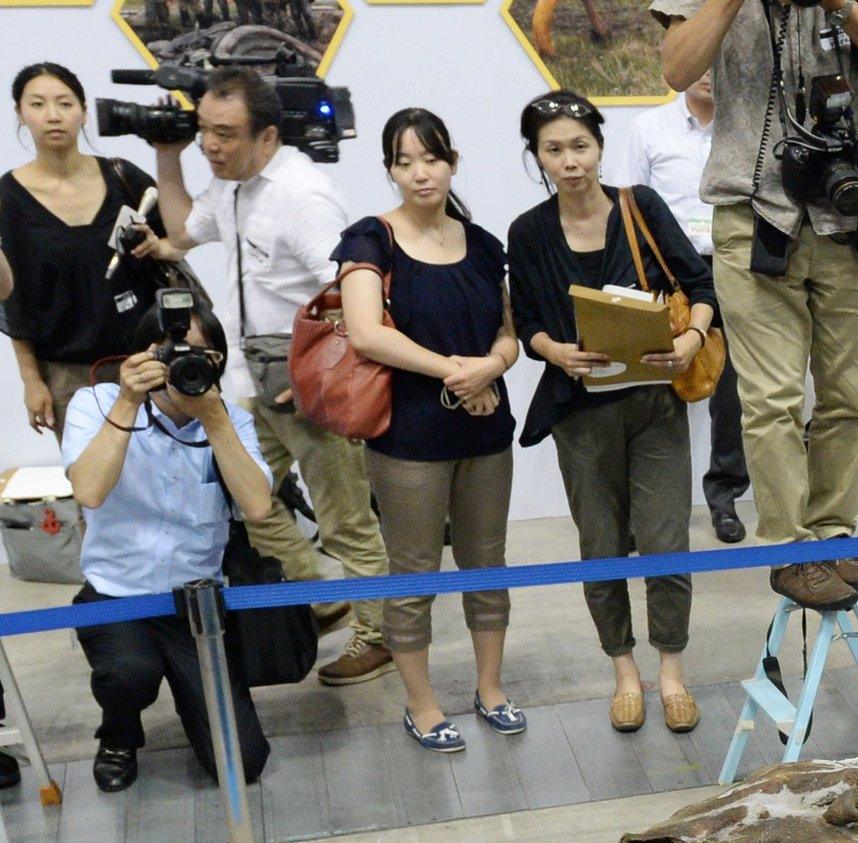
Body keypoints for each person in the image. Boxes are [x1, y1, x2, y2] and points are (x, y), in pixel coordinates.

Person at [653, 0, 858, 613]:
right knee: (772, 396)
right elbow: (676, 68)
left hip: (852, 212)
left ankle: (831, 532)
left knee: (852, 395)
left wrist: (842, 8)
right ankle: (790, 548)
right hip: (752, 214)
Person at [139, 66, 395, 688]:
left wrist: (323, 376)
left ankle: (379, 636)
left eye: (225, 134)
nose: (212, 146)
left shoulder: (300, 195)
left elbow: (355, 289)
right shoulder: (231, 184)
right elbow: (183, 232)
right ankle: (318, 597)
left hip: (303, 375)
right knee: (247, 505)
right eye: (204, 131)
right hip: (250, 382)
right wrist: (167, 158)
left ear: (269, 136)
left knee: (346, 520)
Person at [510, 91, 716, 736]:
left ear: (599, 147)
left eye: (580, 146)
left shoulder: (640, 207)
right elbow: (530, 323)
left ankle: (671, 674)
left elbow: (701, 288)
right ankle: (624, 673)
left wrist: (690, 340)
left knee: (665, 540)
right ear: (536, 157)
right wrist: (554, 352)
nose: (570, 162)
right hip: (580, 411)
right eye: (554, 149)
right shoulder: (529, 231)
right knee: (599, 546)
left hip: (655, 402)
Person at [338, 108, 523, 754]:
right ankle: (421, 704)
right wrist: (457, 374)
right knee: (414, 572)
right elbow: (366, 333)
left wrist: (491, 367)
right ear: (389, 168)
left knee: (487, 565)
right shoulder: (370, 240)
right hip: (409, 435)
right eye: (404, 161)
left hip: (486, 429)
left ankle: (492, 690)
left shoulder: (482, 242)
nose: (420, 173)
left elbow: (509, 333)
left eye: (431, 159)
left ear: (452, 163)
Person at [62, 299, 273, 792]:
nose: (185, 363)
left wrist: (215, 419)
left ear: (219, 362)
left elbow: (258, 507)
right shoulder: (95, 404)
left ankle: (198, 702)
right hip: (116, 592)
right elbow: (89, 491)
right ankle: (118, 732)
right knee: (129, 671)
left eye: (201, 353)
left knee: (242, 763)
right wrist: (128, 402)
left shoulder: (231, 422)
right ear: (141, 356)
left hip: (195, 602)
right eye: (173, 352)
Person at [611, 73, 751, 543]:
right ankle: (642, 508)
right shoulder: (648, 129)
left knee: (730, 390)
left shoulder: (747, 124)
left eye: (720, 61)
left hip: (735, 264)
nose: (711, 73)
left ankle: (726, 497)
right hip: (667, 274)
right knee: (654, 386)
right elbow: (626, 206)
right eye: (701, 61)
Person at [1, 63, 170, 437]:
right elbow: (13, 302)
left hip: (148, 363)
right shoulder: (7, 198)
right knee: (94, 489)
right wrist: (32, 381)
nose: (53, 116)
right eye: (38, 104)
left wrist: (159, 245)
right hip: (66, 375)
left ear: (83, 111)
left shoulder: (124, 177)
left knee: (170, 482)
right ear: (20, 113)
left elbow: (175, 246)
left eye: (64, 103)